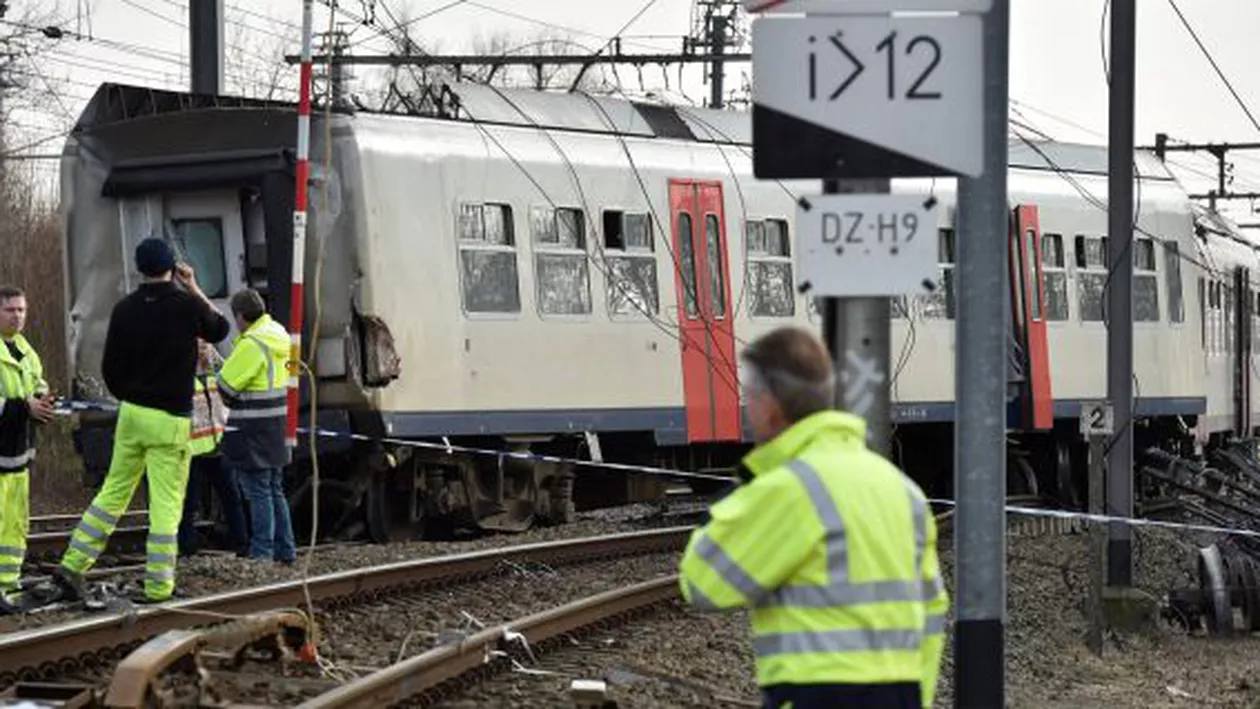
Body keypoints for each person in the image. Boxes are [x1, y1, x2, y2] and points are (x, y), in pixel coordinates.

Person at [678, 326, 948, 709]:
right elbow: (933, 609)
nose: (748, 410)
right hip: (901, 694)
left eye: (750, 398)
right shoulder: (902, 489)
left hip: (817, 695)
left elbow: (704, 583)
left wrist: (738, 497)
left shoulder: (790, 489)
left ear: (770, 405)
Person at [47, 238, 230, 605]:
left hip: (131, 415)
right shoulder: (185, 306)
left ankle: (72, 565)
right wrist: (192, 285)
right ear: (171, 268)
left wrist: (130, 395)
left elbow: (110, 368)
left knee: (112, 493)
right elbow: (220, 329)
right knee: (166, 503)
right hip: (170, 420)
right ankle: (159, 585)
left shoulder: (125, 309)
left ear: (139, 268)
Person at [216, 288, 296, 565]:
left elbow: (225, 386)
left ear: (240, 316)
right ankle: (285, 549)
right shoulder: (280, 334)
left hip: (253, 428)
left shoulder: (252, 344)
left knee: (258, 491)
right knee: (275, 488)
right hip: (279, 425)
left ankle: (262, 552)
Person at [0, 285, 54, 614]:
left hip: (19, 456)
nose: (17, 316)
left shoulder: (25, 350)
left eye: (21, 310)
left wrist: (46, 402)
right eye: (10, 310)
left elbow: (39, 385)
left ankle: (8, 586)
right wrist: (25, 408)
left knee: (15, 525)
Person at [178, 339, 249, 558]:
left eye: (206, 345)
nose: (203, 350)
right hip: (193, 448)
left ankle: (242, 543)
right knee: (189, 503)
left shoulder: (218, 370)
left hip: (218, 447)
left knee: (232, 498)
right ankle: (186, 546)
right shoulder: (180, 375)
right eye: (198, 346)